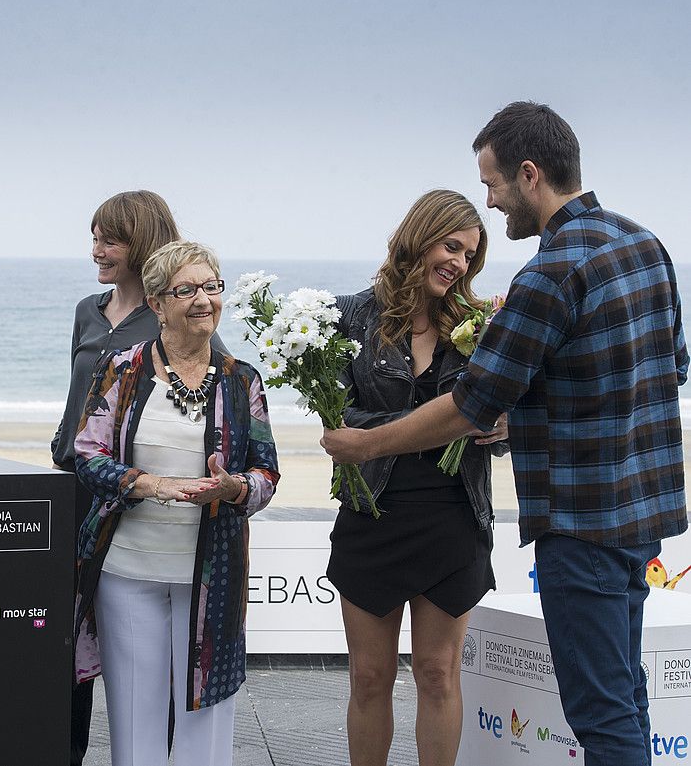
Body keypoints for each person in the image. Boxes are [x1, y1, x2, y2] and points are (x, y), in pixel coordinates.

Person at [322, 101, 687, 766]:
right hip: (643, 517)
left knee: (601, 713)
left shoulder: (548, 272)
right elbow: (673, 366)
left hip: (580, 523)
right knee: (625, 697)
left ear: (528, 174)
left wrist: (367, 443)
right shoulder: (645, 245)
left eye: (490, 184)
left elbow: (472, 403)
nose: (488, 202)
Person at [72, 241, 279, 766]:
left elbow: (266, 474)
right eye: (186, 290)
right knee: (136, 724)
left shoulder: (241, 380)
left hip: (211, 575)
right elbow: (87, 454)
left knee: (205, 725)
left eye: (212, 287)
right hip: (128, 573)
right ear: (159, 304)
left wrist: (234, 488)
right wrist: (150, 484)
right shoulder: (123, 369)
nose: (203, 300)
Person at [328, 189, 508, 766]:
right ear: (418, 237)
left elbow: (501, 422)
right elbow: (339, 425)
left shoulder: (483, 326)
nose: (458, 263)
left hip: (454, 517)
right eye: (450, 246)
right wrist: (446, 422)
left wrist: (504, 427)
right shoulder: (347, 317)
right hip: (372, 514)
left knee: (437, 674)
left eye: (469, 256)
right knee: (371, 678)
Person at [50, 189, 185, 764]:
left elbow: (210, 389)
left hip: (132, 500)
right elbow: (75, 400)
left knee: (139, 653)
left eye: (110, 239)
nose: (97, 250)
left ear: (142, 243)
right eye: (95, 237)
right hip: (74, 487)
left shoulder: (171, 315)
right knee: (67, 647)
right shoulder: (88, 308)